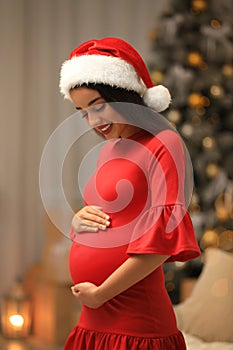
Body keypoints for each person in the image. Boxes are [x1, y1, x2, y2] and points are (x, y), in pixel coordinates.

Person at [59, 37, 201, 350]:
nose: (93, 121)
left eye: (99, 106)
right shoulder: (109, 150)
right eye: (83, 112)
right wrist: (79, 222)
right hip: (92, 319)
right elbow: (113, 220)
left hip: (135, 320)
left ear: (124, 95)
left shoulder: (164, 143)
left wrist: (101, 293)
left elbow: (163, 242)